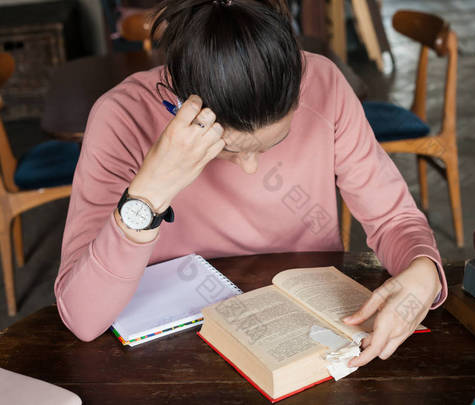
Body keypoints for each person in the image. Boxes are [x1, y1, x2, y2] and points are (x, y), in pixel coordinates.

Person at [54, 0, 447, 367]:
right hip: (175, 353)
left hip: (303, 330)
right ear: (179, 107)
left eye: (275, 141)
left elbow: (393, 219)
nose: (249, 167)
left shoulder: (324, 84)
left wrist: (423, 269)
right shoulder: (121, 117)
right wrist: (149, 192)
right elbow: (83, 319)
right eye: (226, 149)